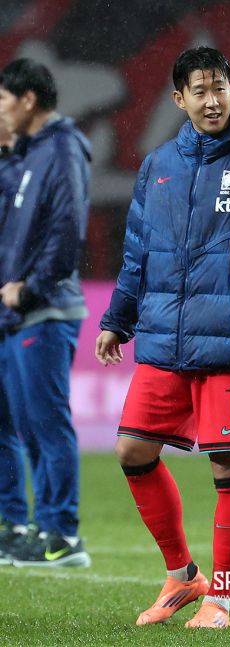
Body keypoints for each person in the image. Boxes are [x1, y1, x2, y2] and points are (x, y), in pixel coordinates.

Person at [95, 46, 230, 630]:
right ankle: (181, 574)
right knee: (132, 451)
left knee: (227, 464)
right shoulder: (158, 164)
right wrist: (117, 319)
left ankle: (220, 598)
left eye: (220, 88)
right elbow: (138, 253)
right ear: (180, 99)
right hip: (165, 338)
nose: (212, 100)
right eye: (199, 91)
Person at [0, 59, 91, 567]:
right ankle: (36, 527)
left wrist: (30, 289)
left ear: (28, 99)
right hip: (21, 313)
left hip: (45, 309)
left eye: (2, 99)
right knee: (27, 426)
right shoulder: (32, 152)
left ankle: (63, 535)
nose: (0, 110)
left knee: (46, 426)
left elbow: (67, 228)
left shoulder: (62, 148)